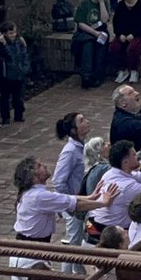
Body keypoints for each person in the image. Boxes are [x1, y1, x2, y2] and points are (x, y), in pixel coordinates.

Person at [10, 156, 119, 280]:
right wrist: (101, 202)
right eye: (40, 166)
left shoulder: (33, 194)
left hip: (25, 251)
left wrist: (94, 197)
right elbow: (73, 204)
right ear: (34, 176)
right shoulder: (38, 196)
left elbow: (70, 200)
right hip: (31, 255)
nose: (45, 166)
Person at [53, 111, 91, 264]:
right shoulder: (69, 151)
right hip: (74, 205)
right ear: (74, 130)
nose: (87, 121)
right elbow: (58, 181)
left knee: (81, 240)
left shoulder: (83, 146)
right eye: (81, 120)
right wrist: (68, 203)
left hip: (82, 202)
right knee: (73, 244)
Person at [72, 0, 111, 89]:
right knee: (88, 44)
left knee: (101, 43)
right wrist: (94, 33)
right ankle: (86, 76)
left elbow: (104, 20)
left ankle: (98, 74)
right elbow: (80, 23)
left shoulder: (105, 1)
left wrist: (101, 2)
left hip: (101, 29)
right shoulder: (84, 1)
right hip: (87, 30)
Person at [110, 0, 141, 85]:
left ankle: (134, 70)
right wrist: (120, 35)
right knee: (114, 47)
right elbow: (116, 23)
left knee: (133, 47)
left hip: (139, 33)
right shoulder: (120, 6)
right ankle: (123, 70)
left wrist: (134, 34)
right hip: (123, 34)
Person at [0, 20, 29, 124]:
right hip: (7, 75)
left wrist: (25, 68)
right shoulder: (2, 45)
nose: (13, 35)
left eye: (14, 32)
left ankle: (19, 115)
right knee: (5, 98)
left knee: (18, 97)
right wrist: (4, 45)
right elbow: (9, 56)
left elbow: (24, 56)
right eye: (10, 33)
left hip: (19, 74)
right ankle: (5, 117)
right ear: (5, 34)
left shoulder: (19, 42)